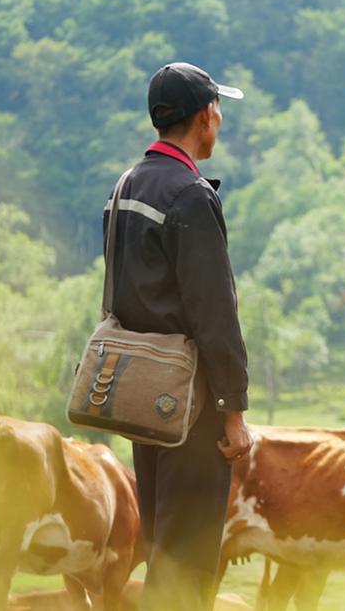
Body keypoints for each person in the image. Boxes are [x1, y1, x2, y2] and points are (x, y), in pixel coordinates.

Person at [105, 62, 253, 611]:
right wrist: (232, 409)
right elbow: (215, 313)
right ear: (206, 115)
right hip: (192, 406)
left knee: (162, 544)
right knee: (189, 559)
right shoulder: (191, 195)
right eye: (219, 110)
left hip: (143, 398)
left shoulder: (126, 186)